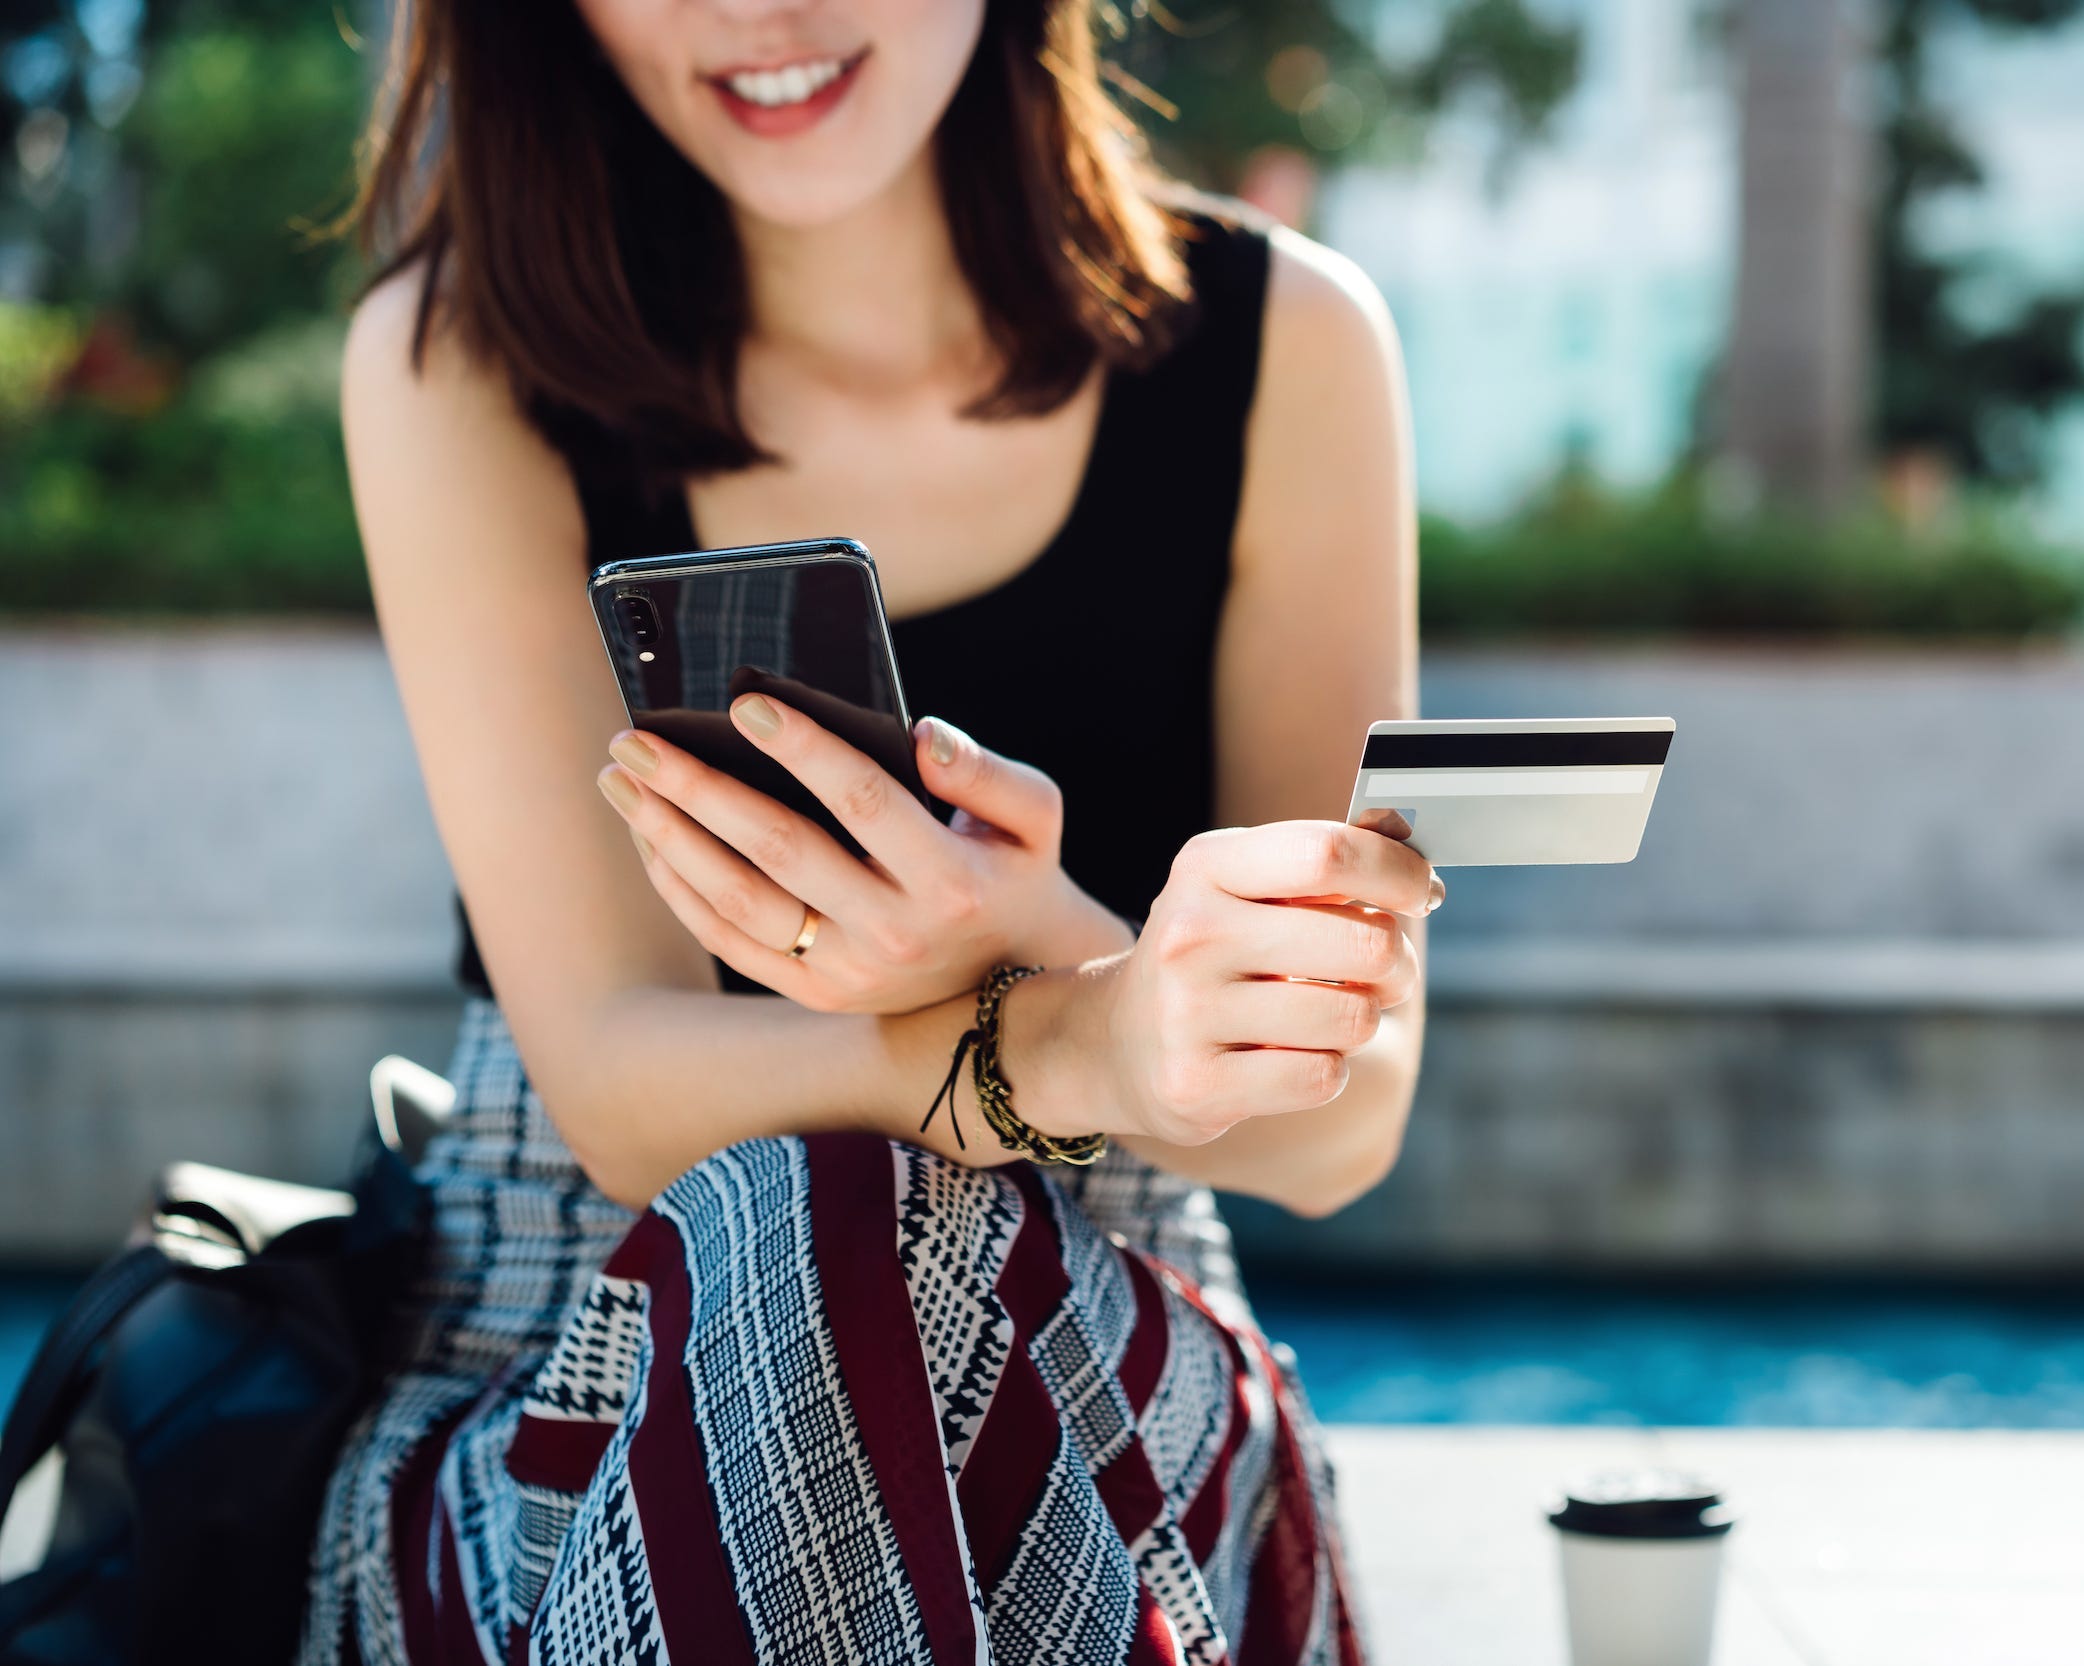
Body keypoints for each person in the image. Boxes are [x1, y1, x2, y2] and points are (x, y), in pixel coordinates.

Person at [303, 0, 1436, 1659]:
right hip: (570, 1343)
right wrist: (1068, 1040)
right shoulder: (459, 361)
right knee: (810, 1230)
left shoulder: (1288, 346)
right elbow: (624, 1091)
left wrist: (1041, 950)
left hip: (1101, 1331)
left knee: (861, 1248)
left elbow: (1347, 1117)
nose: (755, 13)